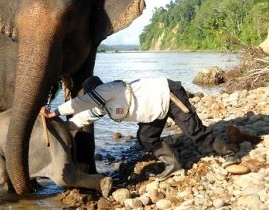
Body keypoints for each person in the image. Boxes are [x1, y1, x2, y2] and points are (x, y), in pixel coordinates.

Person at [41, 76, 239, 181]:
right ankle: (174, 165)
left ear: (97, 90)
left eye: (93, 94)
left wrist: (55, 112)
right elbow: (82, 118)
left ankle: (230, 153)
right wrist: (61, 127)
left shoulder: (109, 89)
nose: (93, 98)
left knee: (194, 131)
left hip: (168, 94)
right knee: (146, 138)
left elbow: (80, 103)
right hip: (154, 111)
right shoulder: (102, 106)